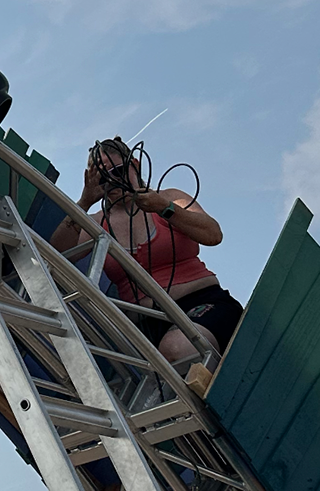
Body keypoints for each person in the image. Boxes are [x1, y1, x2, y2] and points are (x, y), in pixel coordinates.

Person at [48, 137, 242, 391]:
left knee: (176, 349)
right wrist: (84, 203)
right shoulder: (97, 222)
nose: (114, 182)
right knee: (165, 361)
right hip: (149, 327)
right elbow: (57, 252)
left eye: (118, 172)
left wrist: (165, 209)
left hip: (202, 304)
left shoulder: (168, 197)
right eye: (104, 178)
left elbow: (212, 234)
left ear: (135, 165)